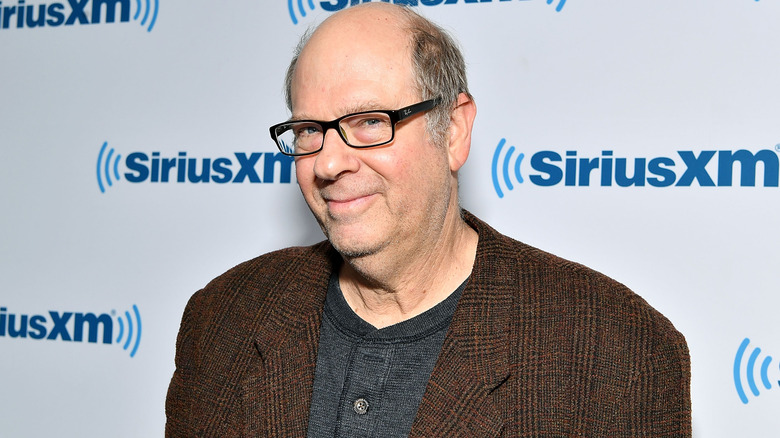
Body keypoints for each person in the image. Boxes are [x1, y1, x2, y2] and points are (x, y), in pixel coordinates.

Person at [165, 3, 691, 437]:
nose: (327, 163)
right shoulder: (224, 317)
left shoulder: (616, 350)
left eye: (370, 122)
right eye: (309, 131)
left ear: (455, 131)